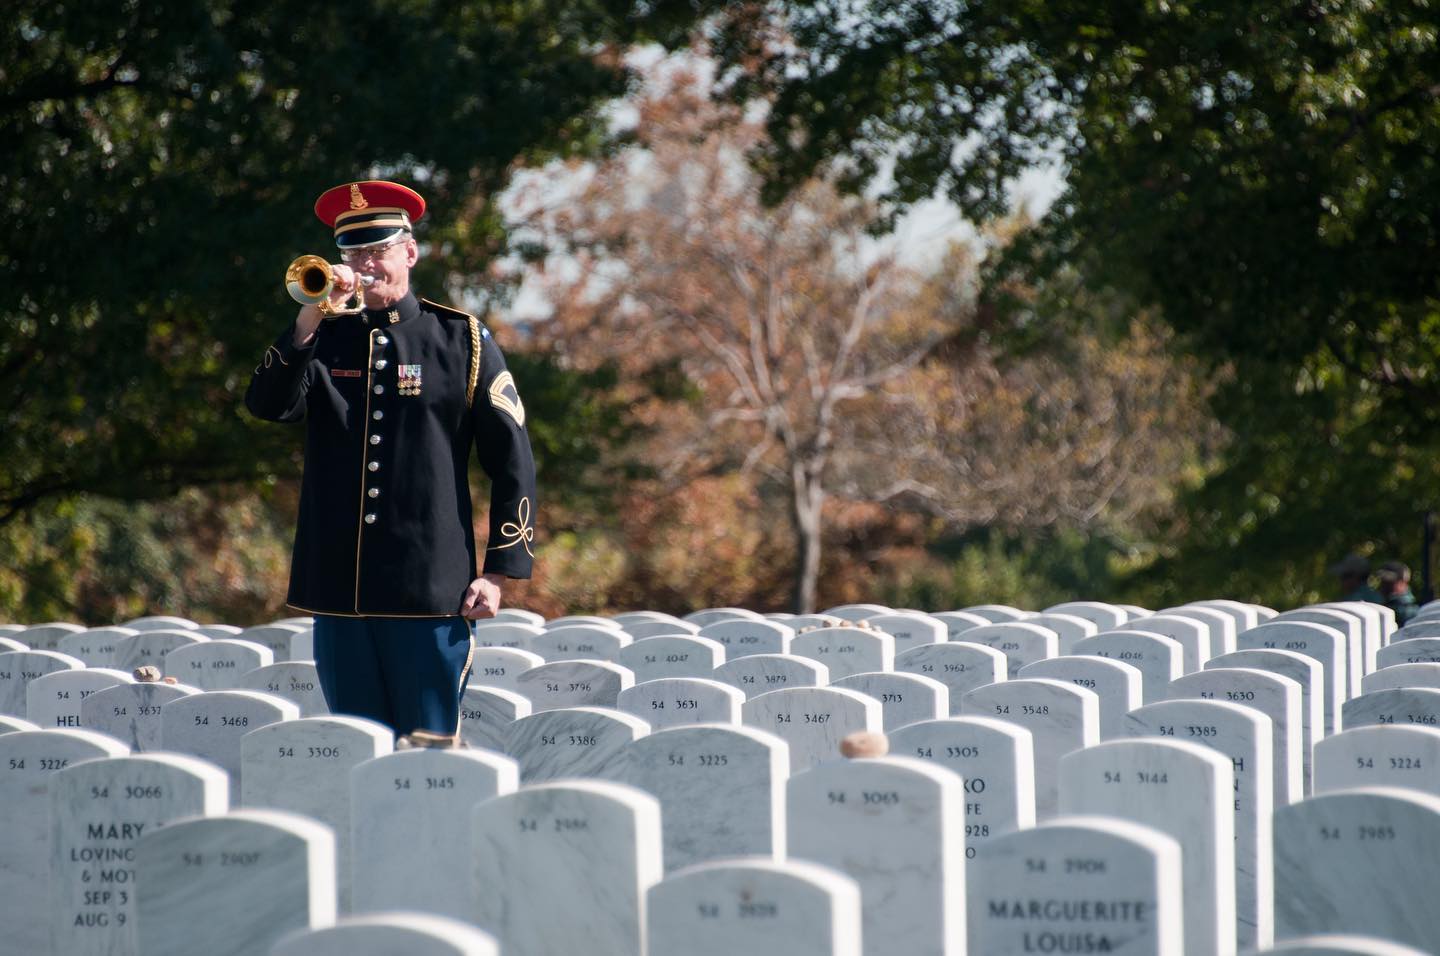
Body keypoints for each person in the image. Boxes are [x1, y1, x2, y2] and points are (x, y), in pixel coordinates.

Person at [245, 180, 536, 738]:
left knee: (431, 752)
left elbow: (512, 459)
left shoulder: (462, 340)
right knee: (357, 751)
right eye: (353, 252)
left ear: (410, 250)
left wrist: (499, 573)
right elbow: (266, 405)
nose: (364, 264)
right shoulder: (322, 338)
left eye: (377, 249)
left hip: (430, 594)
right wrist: (309, 318)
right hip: (338, 592)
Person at [1377, 560, 1419, 625]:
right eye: (1383, 581)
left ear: (1403, 582)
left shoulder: (1410, 612)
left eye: (1390, 582)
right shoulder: (1380, 602)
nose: (1384, 586)